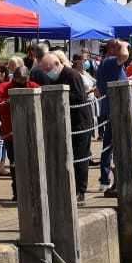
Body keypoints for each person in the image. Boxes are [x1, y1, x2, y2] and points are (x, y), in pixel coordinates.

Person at [37, 50, 94, 202]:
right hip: (65, 123)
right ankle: (67, 188)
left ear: (57, 64)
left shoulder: (72, 75)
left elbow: (79, 97)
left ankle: (80, 191)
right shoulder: (54, 78)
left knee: (80, 157)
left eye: (48, 69)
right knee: (67, 157)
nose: (46, 73)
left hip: (80, 123)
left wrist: (59, 96)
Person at [0, 65, 39, 201]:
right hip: (11, 133)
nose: (22, 84)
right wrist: (12, 100)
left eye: (24, 81)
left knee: (32, 162)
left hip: (32, 132)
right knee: (14, 163)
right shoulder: (2, 88)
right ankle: (17, 191)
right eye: (19, 82)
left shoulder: (34, 86)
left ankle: (32, 190)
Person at [95, 40, 129, 193]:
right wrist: (123, 44)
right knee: (112, 146)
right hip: (115, 110)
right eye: (118, 47)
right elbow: (124, 55)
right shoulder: (110, 62)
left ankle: (106, 178)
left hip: (112, 108)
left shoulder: (106, 63)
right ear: (112, 49)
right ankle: (108, 178)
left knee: (109, 146)